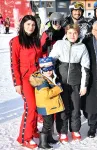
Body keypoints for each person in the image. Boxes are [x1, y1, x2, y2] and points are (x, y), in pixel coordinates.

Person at [49, 24, 90, 143]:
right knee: (62, 108)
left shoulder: (82, 47)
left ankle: (75, 130)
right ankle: (62, 131)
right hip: (61, 83)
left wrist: (84, 86)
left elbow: (86, 68)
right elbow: (51, 60)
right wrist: (53, 79)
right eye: (70, 33)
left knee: (75, 108)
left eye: (75, 33)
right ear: (66, 33)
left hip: (75, 83)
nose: (72, 35)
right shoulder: (59, 44)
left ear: (78, 34)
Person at [10, 15, 44, 149]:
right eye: (28, 24)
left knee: (38, 106)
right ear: (23, 25)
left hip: (37, 77)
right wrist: (17, 83)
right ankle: (24, 137)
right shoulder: (16, 41)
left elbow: (41, 57)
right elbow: (14, 63)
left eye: (33, 25)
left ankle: (34, 129)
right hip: (24, 78)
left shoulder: (36, 41)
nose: (31, 27)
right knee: (30, 107)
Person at [29, 57, 64, 149]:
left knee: (50, 122)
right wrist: (58, 88)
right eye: (46, 69)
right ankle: (42, 143)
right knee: (47, 124)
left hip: (49, 106)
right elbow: (46, 94)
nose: (49, 71)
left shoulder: (48, 77)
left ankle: (49, 138)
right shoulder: (42, 81)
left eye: (50, 69)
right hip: (45, 107)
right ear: (42, 69)